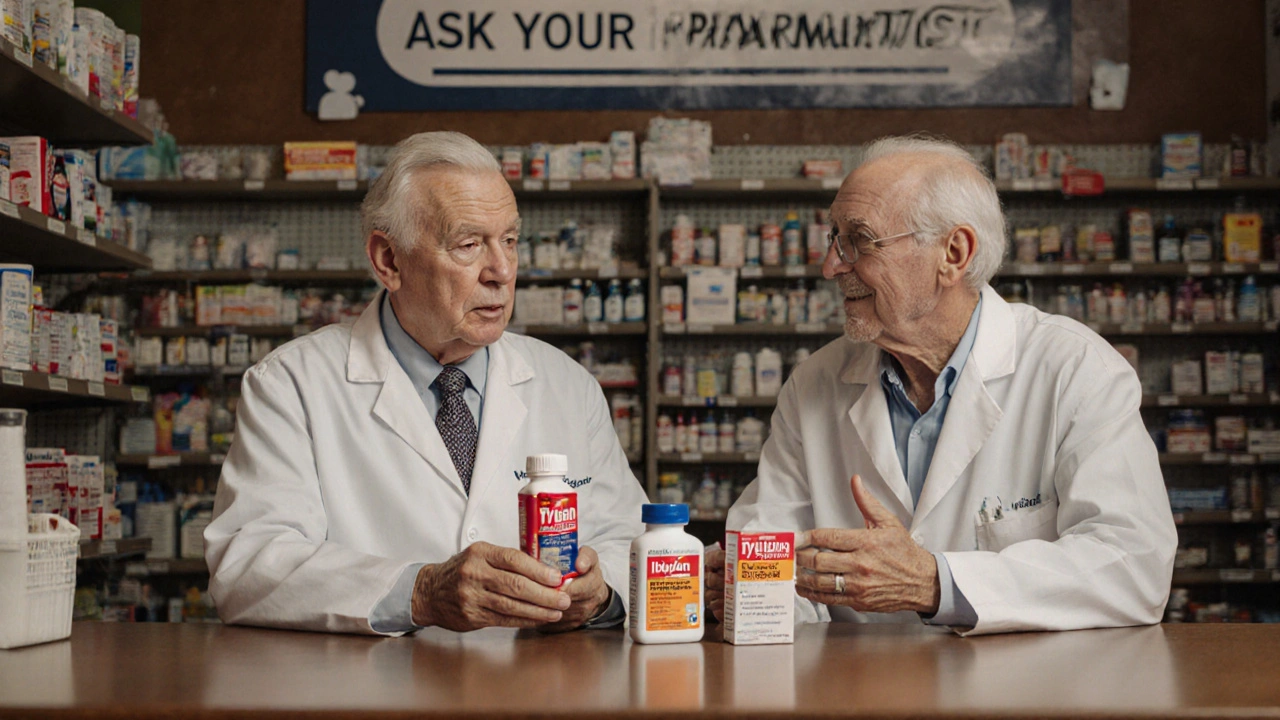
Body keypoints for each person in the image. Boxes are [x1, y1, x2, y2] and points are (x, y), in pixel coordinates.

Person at [707, 135, 1177, 635]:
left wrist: (934, 583)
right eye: (834, 238)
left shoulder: (1075, 370)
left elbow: (1134, 566)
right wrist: (746, 590)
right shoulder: (815, 385)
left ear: (953, 252)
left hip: (1022, 695)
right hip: (855, 694)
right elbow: (769, 544)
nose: (831, 266)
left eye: (860, 241)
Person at [205, 131, 648, 635]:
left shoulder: (567, 385)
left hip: (534, 697)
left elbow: (630, 540)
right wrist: (420, 592)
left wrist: (602, 593)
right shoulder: (291, 384)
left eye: (509, 240)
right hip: (374, 698)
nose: (502, 271)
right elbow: (249, 564)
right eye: (468, 245)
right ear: (388, 261)